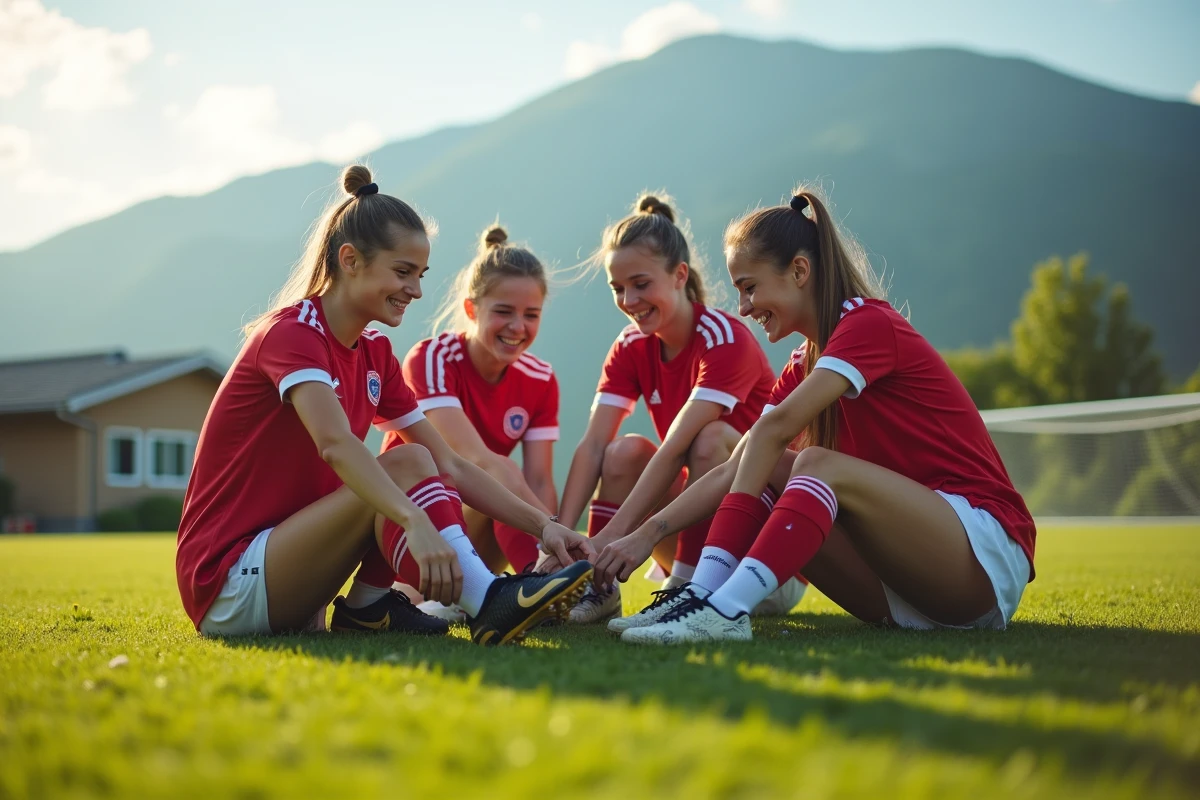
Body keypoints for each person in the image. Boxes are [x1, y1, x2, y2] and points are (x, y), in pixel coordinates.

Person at [592, 188, 1036, 644]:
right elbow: (737, 467)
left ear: (799, 271)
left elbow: (774, 429)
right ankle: (703, 598)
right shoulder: (804, 361)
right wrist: (645, 534)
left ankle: (720, 608)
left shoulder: (868, 323)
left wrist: (693, 576)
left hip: (983, 559)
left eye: (749, 287)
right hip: (904, 588)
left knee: (812, 461)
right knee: (771, 465)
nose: (743, 307)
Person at [175, 165, 594, 647]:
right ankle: (488, 602)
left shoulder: (374, 352)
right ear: (350, 260)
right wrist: (414, 521)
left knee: (417, 458)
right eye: (402, 272)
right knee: (404, 461)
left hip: (289, 570)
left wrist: (547, 526)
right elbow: (335, 446)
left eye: (420, 275)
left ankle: (368, 608)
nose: (415, 290)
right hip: (227, 584)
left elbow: (452, 465)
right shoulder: (290, 334)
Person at [552, 193, 802, 625]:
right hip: (693, 521)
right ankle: (599, 586)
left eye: (641, 283)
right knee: (624, 452)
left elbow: (676, 449)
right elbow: (593, 445)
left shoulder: (726, 340)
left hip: (766, 556)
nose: (629, 299)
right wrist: (561, 539)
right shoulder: (630, 347)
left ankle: (686, 587)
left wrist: (609, 537)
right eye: (617, 288)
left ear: (679, 275)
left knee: (709, 440)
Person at [384, 225, 559, 620]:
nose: (518, 327)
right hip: (416, 528)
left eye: (531, 315)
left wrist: (552, 534)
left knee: (503, 481)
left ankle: (540, 580)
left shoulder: (540, 378)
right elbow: (471, 462)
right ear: (470, 310)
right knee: (494, 470)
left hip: (478, 521)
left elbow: (541, 482)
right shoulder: (432, 357)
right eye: (503, 312)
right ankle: (544, 575)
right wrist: (553, 536)